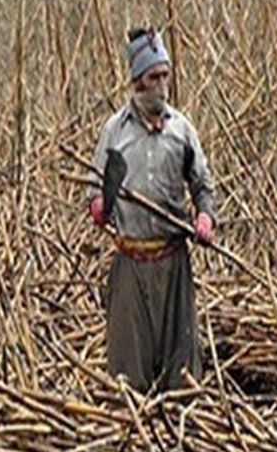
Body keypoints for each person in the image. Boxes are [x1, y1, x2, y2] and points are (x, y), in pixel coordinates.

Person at [88, 28, 217, 393]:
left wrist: (205, 217)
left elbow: (203, 185)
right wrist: (98, 208)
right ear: (137, 82)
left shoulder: (182, 131)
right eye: (153, 77)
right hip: (131, 265)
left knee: (183, 376)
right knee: (129, 379)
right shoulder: (115, 132)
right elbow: (94, 190)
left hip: (174, 264)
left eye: (165, 76)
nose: (162, 85)